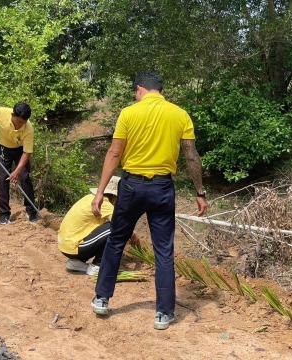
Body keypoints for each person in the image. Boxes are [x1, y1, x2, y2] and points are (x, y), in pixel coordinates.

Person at [90, 72, 208, 330]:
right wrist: (200, 192)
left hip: (132, 186)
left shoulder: (129, 113)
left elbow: (114, 152)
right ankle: (164, 314)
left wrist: (100, 191)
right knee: (163, 250)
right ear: (161, 90)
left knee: (117, 240)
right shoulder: (180, 115)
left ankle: (102, 298)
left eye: (136, 92)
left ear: (140, 89)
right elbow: (191, 155)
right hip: (162, 188)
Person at [58, 176, 138, 276]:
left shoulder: (90, 197)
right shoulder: (104, 202)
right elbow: (121, 225)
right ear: (114, 195)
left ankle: (76, 263)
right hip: (74, 246)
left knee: (107, 227)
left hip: (66, 245)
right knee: (115, 228)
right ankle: (97, 266)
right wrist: (134, 238)